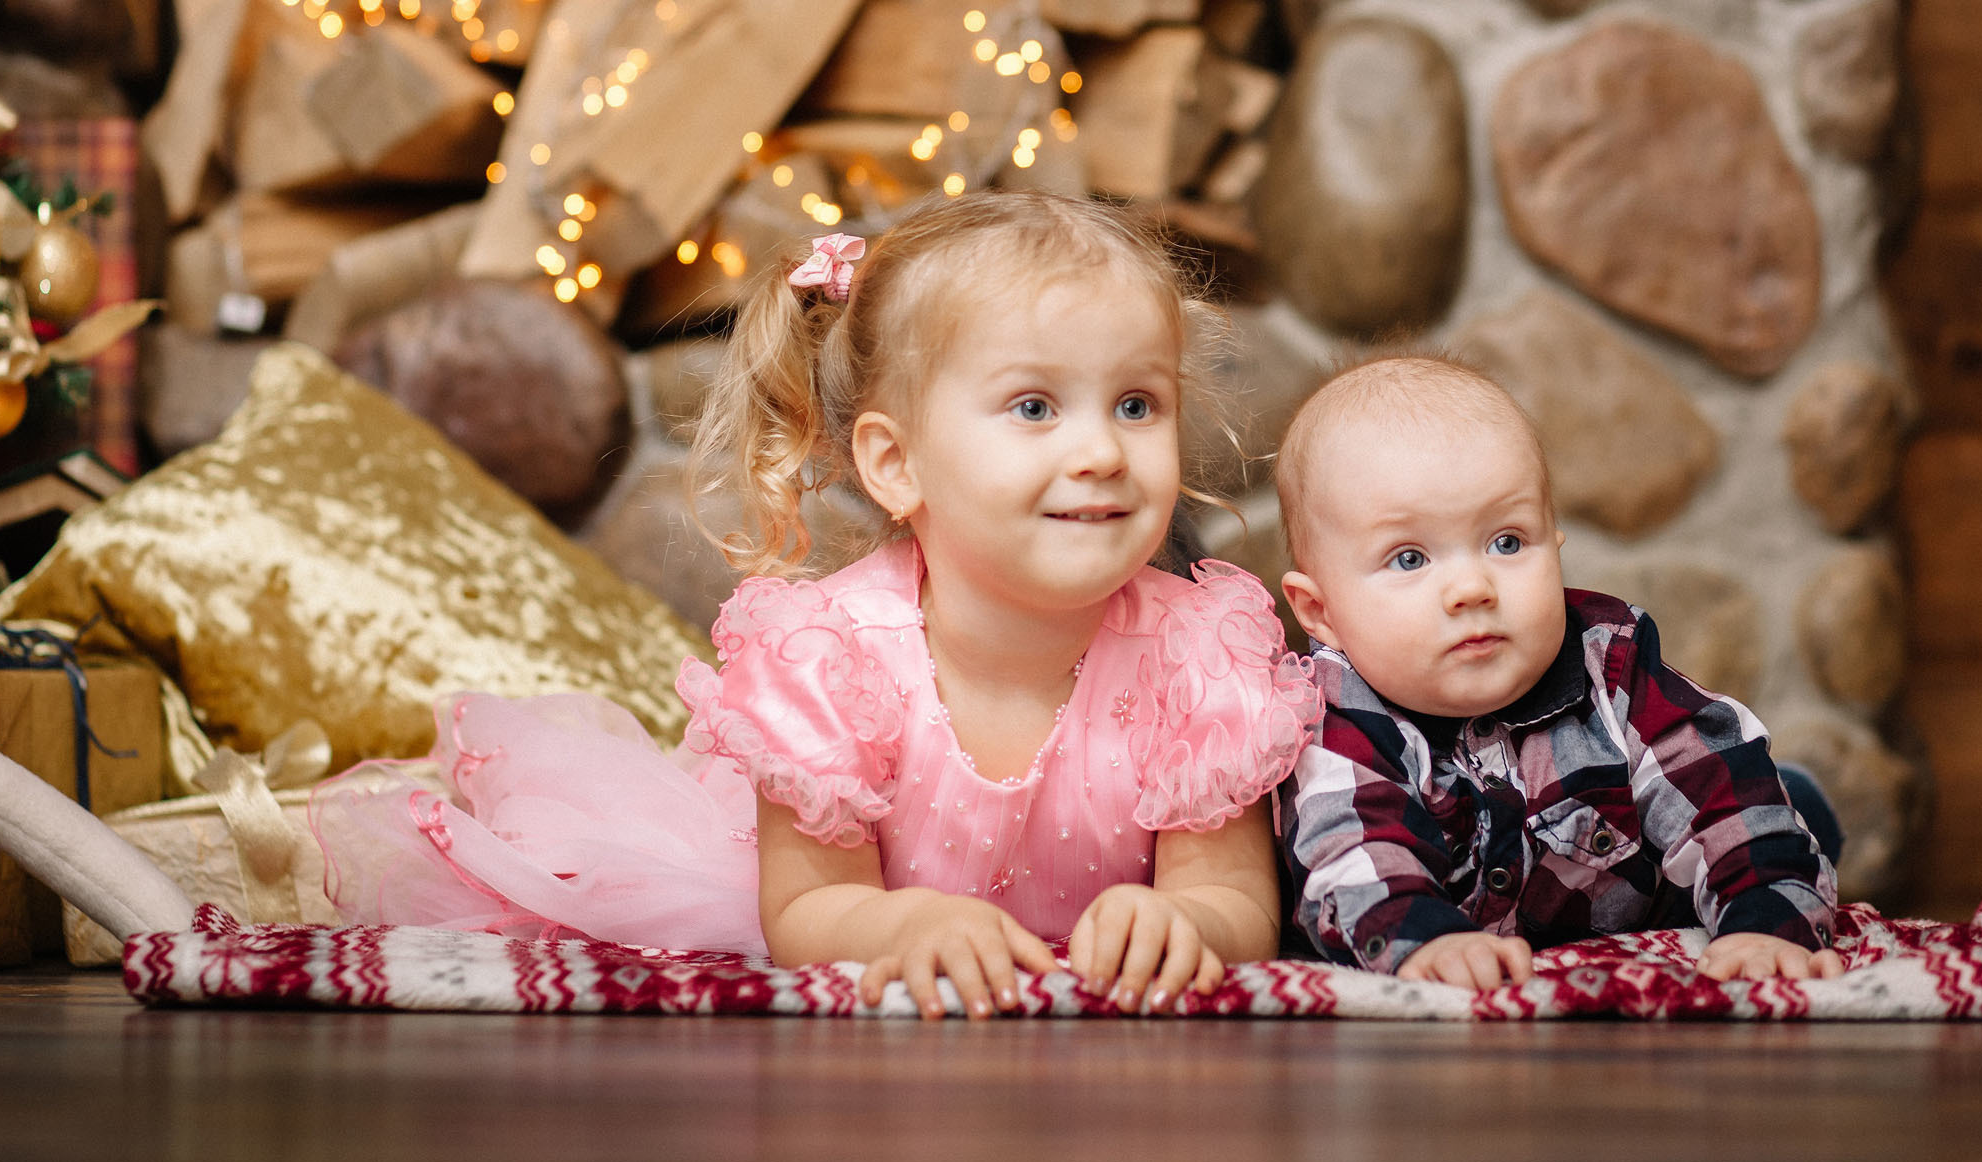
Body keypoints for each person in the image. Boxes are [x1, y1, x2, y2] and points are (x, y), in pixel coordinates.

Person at [312, 192, 1320, 1018]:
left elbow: (1231, 894)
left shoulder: (1197, 650)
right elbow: (809, 908)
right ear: (895, 462)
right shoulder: (835, 659)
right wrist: (902, 926)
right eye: (1035, 407)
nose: (1101, 449)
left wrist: (1186, 926)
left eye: (1136, 404)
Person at [1273, 354, 1847, 991]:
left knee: (1767, 806)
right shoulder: (1329, 715)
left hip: (1648, 892)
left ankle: (1789, 842)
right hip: (1433, 918)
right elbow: (1350, 850)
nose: (1471, 587)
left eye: (1508, 542)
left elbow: (1714, 792)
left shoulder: (1610, 663)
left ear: (1556, 543)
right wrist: (1422, 941)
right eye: (1409, 558)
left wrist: (1763, 919)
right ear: (1318, 611)